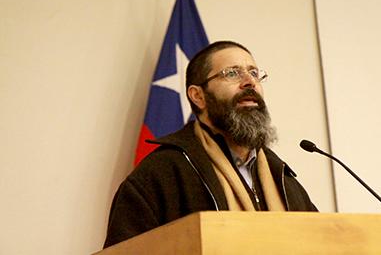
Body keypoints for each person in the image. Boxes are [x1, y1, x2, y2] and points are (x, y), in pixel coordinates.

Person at [103, 41, 317, 248]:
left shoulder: (282, 177)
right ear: (198, 96)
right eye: (232, 73)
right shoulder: (160, 173)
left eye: (254, 73)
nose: (249, 81)